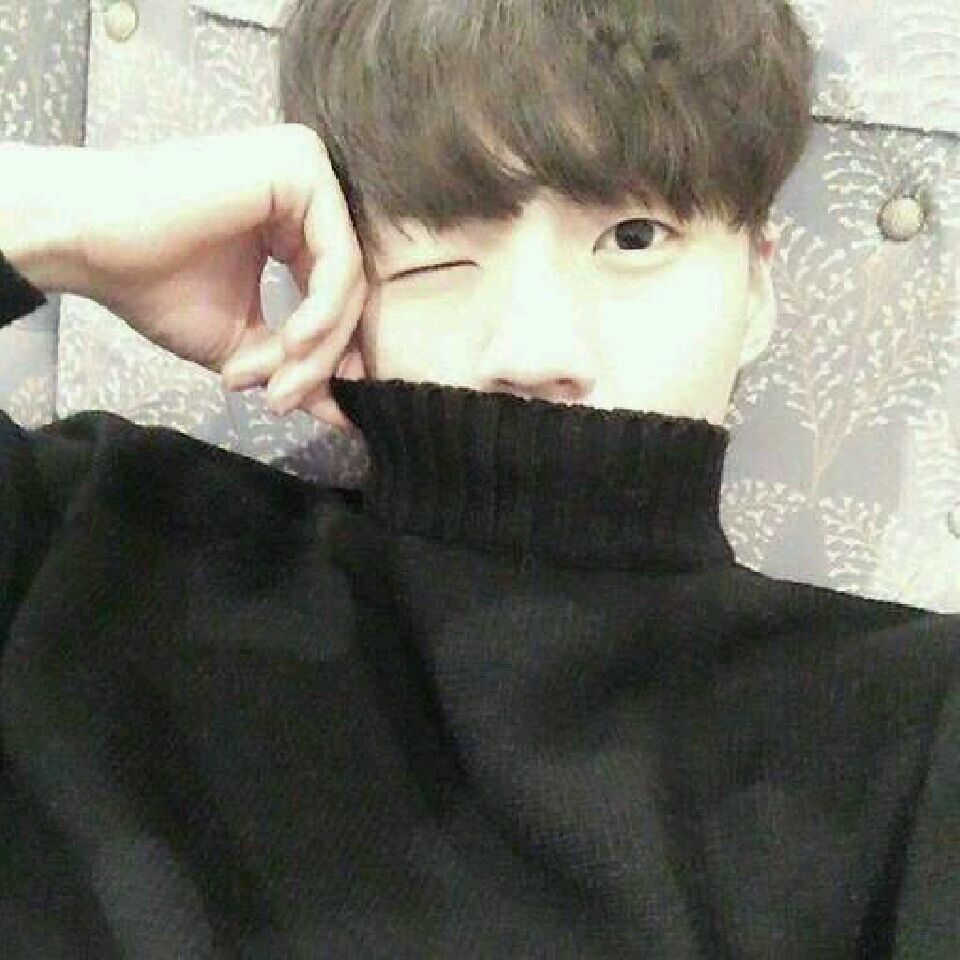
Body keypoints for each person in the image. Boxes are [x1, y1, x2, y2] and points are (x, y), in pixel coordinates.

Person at [0, 1, 957, 957]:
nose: (534, 350)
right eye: (439, 255)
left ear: (756, 286)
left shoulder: (915, 730)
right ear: (336, 281)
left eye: (634, 238)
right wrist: (58, 222)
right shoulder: (93, 542)